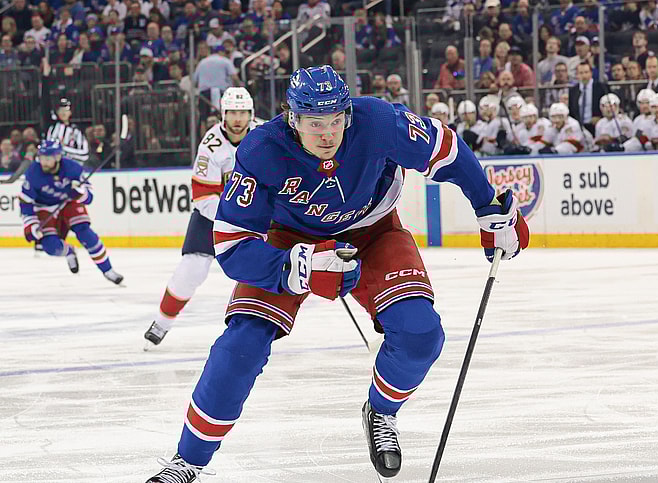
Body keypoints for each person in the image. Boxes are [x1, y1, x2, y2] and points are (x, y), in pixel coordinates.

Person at [145, 65, 530, 482]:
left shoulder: (378, 121)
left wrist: (490, 207)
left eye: (335, 121)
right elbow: (231, 246)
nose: (328, 134)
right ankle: (188, 461)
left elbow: (447, 149)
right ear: (292, 119)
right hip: (288, 240)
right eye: (314, 123)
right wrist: (298, 269)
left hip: (374, 229)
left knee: (421, 335)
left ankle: (380, 413)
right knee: (240, 347)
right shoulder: (260, 150)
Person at [144, 87, 261, 349]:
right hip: (215, 217)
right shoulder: (211, 144)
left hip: (258, 215)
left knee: (265, 268)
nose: (238, 119)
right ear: (223, 114)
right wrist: (231, 216)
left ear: (251, 114)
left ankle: (264, 325)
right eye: (232, 112)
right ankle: (162, 322)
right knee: (191, 269)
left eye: (243, 112)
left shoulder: (266, 135)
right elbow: (203, 195)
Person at [19, 140, 123, 284]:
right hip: (44, 206)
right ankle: (69, 251)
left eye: (47, 158)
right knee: (50, 246)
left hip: (68, 202)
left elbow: (89, 198)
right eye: (42, 158)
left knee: (85, 232)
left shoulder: (72, 168)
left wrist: (81, 192)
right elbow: (25, 201)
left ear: (57, 157)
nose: (44, 162)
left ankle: (108, 270)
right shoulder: (33, 172)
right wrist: (30, 224)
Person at [45, 97, 89, 163]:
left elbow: (85, 154)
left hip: (74, 165)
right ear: (57, 112)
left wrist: (63, 149)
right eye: (61, 110)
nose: (63, 113)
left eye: (66, 110)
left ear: (70, 112)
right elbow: (49, 149)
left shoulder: (77, 130)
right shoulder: (52, 129)